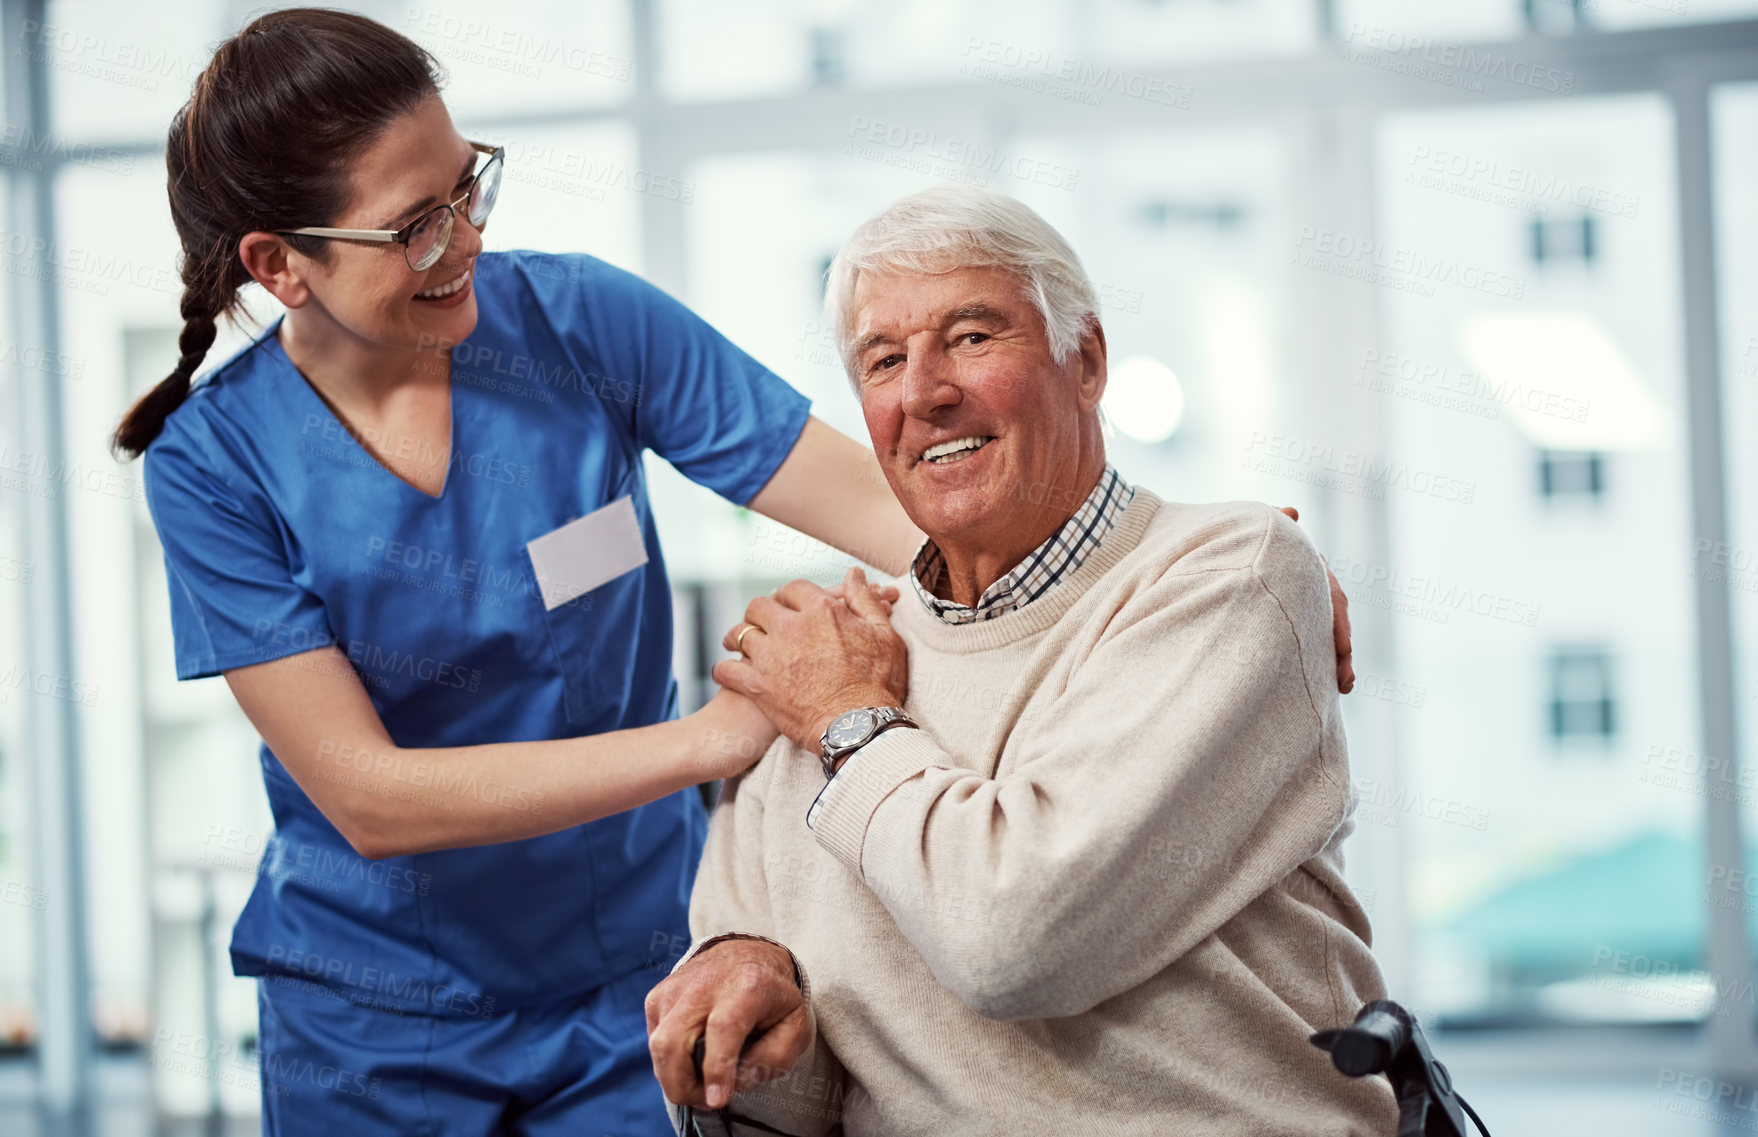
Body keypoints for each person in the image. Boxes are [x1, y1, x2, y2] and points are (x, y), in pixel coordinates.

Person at [116, 10, 925, 1134]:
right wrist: (714, 738)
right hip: (371, 1026)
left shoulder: (585, 322)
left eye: (467, 190)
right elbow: (368, 795)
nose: (465, 245)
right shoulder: (215, 467)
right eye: (412, 229)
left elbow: (894, 516)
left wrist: (1149, 549)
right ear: (278, 265)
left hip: (636, 983)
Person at [644, 185, 1396, 1136]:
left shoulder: (1224, 578)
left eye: (971, 336)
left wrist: (851, 722)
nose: (924, 391)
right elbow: (788, 1103)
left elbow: (1016, 941)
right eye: (884, 360)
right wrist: (747, 1010)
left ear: (1085, 362)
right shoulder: (821, 662)